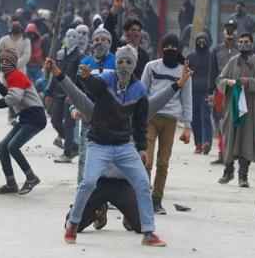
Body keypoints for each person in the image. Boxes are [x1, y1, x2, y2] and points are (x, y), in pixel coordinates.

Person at [46, 56, 192, 235]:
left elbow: (158, 101)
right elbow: (76, 94)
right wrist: (58, 74)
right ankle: (97, 211)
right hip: (99, 183)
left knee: (139, 226)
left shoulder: (137, 110)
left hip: (123, 184)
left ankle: (129, 215)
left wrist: (179, 83)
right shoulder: (96, 112)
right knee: (72, 222)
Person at [63, 45, 166, 247]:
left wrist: (142, 147)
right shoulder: (107, 79)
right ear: (115, 63)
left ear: (135, 65)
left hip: (124, 147)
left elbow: (140, 122)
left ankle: (148, 232)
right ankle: (72, 224)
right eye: (120, 61)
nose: (124, 66)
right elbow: (91, 86)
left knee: (144, 183)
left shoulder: (139, 91)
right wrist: (84, 77)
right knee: (88, 182)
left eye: (128, 62)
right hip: (99, 144)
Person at [141, 34, 192, 214]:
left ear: (178, 49)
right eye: (166, 46)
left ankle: (156, 200)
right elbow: (141, 92)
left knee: (163, 163)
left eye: (173, 46)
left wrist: (187, 126)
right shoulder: (151, 67)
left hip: (170, 121)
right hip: (150, 117)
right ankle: (143, 196)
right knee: (146, 160)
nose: (170, 49)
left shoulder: (183, 71)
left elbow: (187, 100)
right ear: (161, 48)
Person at [0, 48, 46, 195]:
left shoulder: (16, 75)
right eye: (2, 61)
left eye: (7, 61)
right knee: (2, 147)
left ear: (13, 63)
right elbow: (12, 94)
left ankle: (31, 177)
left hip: (34, 116)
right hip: (26, 117)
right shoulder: (11, 76)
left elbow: (13, 99)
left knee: (12, 146)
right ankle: (11, 183)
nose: (4, 63)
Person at [216, 32, 255, 187]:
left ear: (252, 44)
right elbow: (220, 80)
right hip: (232, 108)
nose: (243, 44)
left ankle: (243, 176)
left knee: (246, 140)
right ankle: (228, 171)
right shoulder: (232, 61)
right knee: (229, 139)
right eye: (240, 41)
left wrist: (249, 82)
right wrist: (229, 83)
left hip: (250, 110)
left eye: (246, 41)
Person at [72, 26, 116, 183]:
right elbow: (76, 89)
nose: (100, 43)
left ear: (110, 42)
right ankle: (81, 192)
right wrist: (74, 107)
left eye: (104, 40)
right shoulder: (85, 63)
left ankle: (108, 194)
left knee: (110, 158)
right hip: (88, 115)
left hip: (112, 118)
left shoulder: (118, 61)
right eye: (97, 40)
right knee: (85, 155)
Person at [207, 20, 239, 162]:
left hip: (237, 90)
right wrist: (210, 92)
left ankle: (232, 153)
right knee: (220, 120)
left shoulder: (241, 50)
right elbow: (212, 71)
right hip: (220, 90)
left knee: (236, 121)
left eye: (232, 29)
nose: (230, 31)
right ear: (224, 30)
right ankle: (221, 153)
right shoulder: (216, 50)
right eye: (228, 28)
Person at [50, 29, 82, 163]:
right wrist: (48, 91)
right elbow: (55, 73)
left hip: (70, 96)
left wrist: (74, 94)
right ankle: (74, 146)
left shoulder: (80, 56)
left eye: (73, 36)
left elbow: (79, 78)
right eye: (68, 35)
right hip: (59, 93)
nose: (70, 38)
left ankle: (67, 153)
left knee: (69, 125)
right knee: (55, 121)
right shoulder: (60, 54)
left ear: (77, 39)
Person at [104, 0, 150, 80]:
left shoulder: (143, 55)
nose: (136, 33)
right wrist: (115, 8)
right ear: (126, 33)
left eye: (138, 30)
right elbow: (108, 29)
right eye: (133, 30)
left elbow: (144, 77)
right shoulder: (119, 47)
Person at [0, 16, 31, 124]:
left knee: (19, 95)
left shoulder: (26, 40)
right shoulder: (4, 40)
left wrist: (15, 65)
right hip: (7, 73)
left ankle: (15, 115)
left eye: (17, 24)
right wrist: (4, 64)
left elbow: (26, 55)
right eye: (13, 24)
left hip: (20, 72)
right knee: (8, 93)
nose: (15, 26)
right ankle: (11, 115)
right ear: (10, 25)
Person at [186, 32, 213, 154]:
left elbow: (215, 73)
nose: (202, 43)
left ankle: (207, 141)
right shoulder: (191, 57)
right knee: (194, 118)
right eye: (199, 40)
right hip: (193, 91)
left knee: (205, 116)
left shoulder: (212, 56)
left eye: (204, 40)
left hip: (207, 91)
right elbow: (185, 73)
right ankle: (198, 143)